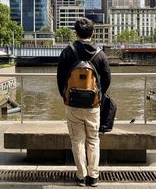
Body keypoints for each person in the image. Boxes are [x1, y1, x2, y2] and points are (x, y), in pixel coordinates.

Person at [57, 18, 111, 187]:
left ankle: (81, 176)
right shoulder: (100, 54)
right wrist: (99, 96)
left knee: (77, 141)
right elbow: (107, 78)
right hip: (93, 105)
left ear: (76, 32)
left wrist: (65, 97)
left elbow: (60, 78)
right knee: (93, 139)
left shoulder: (67, 52)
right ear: (92, 33)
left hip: (72, 104)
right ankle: (93, 177)